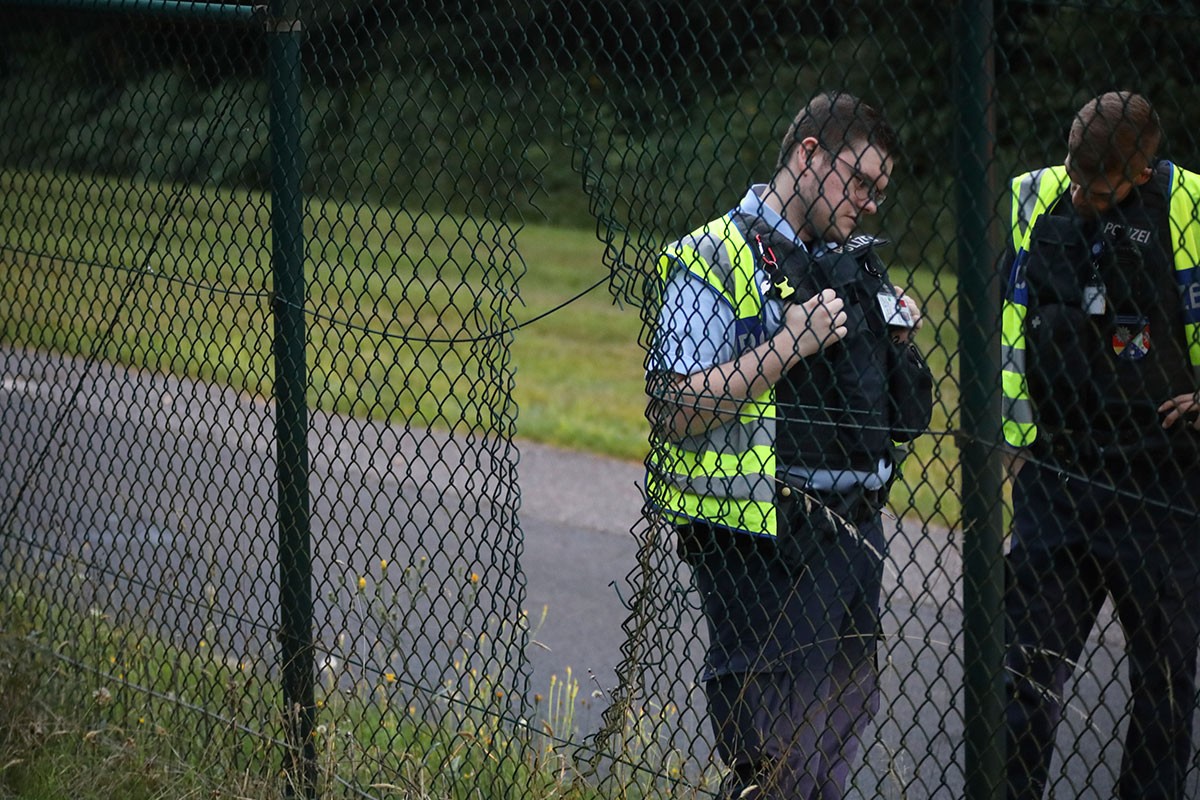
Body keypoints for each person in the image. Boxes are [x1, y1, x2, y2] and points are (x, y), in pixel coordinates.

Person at [644, 91, 933, 800]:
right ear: (809, 155)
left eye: (880, 191)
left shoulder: (855, 265)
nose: (870, 203)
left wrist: (898, 347)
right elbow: (673, 407)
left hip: (856, 532)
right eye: (860, 181)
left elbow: (903, 417)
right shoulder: (713, 255)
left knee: (829, 749)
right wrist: (788, 346)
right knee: (776, 760)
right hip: (760, 540)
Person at [1000, 90, 1200, 800]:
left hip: (1163, 483)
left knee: (1166, 685)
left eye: (1100, 186)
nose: (1080, 194)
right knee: (1021, 674)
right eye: (1075, 176)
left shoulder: (1189, 209)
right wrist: (1009, 438)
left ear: (1141, 175)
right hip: (1058, 472)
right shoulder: (1038, 199)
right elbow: (1007, 315)